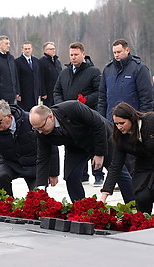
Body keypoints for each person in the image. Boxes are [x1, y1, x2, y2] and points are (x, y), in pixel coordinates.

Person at [100, 102, 154, 214]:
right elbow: (116, 165)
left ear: (132, 119)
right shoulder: (121, 138)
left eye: (122, 123)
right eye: (116, 124)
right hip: (144, 167)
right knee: (142, 197)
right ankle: (144, 221)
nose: (119, 127)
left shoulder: (153, 120)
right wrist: (104, 194)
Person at [29, 100, 120, 203]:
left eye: (41, 127)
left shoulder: (73, 108)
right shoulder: (40, 132)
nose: (39, 131)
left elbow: (99, 124)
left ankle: (133, 206)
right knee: (71, 177)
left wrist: (99, 153)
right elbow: (43, 157)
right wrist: (41, 188)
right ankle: (81, 207)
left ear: (50, 116)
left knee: (119, 172)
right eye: (36, 128)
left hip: (100, 138)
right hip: (76, 147)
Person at [98, 38, 153, 202]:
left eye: (119, 52)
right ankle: (127, 197)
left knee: (132, 164)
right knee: (116, 161)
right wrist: (101, 120)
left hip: (132, 125)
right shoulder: (107, 70)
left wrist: (143, 123)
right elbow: (102, 98)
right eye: (114, 52)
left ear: (127, 50)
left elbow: (147, 98)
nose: (116, 55)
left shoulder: (139, 69)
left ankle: (136, 199)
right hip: (111, 124)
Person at [0, 100, 59, 196]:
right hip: (10, 163)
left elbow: (50, 146)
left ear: (9, 117)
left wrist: (53, 172)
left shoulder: (30, 121)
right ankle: (7, 203)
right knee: (1, 176)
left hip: (34, 164)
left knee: (38, 197)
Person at [53, 42, 103, 186]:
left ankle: (98, 174)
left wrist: (85, 100)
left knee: (92, 144)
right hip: (68, 118)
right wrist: (60, 105)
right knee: (73, 145)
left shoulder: (93, 71)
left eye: (76, 55)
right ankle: (82, 174)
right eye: (71, 55)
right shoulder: (64, 72)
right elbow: (57, 91)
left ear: (83, 54)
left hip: (87, 114)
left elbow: (99, 92)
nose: (73, 58)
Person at [0, 35, 20, 104]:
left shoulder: (11, 58)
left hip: (12, 94)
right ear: (0, 45)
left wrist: (17, 91)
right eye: (6, 44)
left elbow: (15, 75)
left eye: (9, 43)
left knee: (12, 113)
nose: (8, 45)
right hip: (1, 95)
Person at [15, 41, 41, 111]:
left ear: (32, 49)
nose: (27, 50)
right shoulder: (17, 62)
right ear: (22, 49)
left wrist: (39, 91)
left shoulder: (36, 61)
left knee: (34, 112)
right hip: (23, 93)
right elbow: (16, 78)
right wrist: (18, 93)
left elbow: (38, 77)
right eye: (25, 49)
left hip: (34, 93)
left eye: (29, 49)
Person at [39, 42, 62, 107]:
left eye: (54, 49)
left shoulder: (57, 61)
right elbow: (40, 78)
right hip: (47, 93)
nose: (53, 50)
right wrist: (43, 92)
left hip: (57, 92)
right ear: (45, 51)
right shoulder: (41, 62)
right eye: (51, 49)